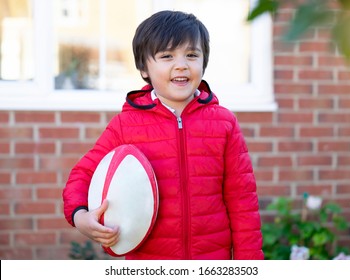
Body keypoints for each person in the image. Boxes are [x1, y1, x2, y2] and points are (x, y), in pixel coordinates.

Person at [63, 10, 264, 260]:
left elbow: (242, 202)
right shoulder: (126, 125)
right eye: (167, 56)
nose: (181, 64)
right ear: (144, 68)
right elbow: (84, 174)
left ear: (204, 61)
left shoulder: (224, 123)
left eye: (192, 55)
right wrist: (80, 217)